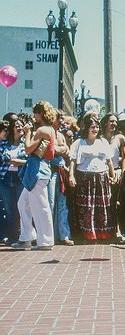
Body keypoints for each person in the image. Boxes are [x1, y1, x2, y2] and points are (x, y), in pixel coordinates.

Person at [12, 101, 57, 251]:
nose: (34, 116)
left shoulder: (42, 130)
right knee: (23, 204)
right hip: (40, 170)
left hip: (37, 171)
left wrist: (28, 133)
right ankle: (26, 238)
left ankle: (45, 241)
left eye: (35, 113)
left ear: (40, 114)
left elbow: (27, 149)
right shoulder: (49, 129)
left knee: (40, 207)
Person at [69, 113, 116, 243]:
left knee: (102, 207)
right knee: (87, 207)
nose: (95, 129)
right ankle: (88, 235)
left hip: (101, 178)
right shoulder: (79, 142)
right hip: (85, 178)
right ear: (87, 128)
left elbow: (109, 161)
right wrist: (71, 175)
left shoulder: (103, 142)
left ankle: (103, 234)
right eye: (92, 127)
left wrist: (112, 175)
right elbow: (73, 161)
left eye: (96, 127)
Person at [100, 113, 125, 242]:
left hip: (116, 173)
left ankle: (118, 231)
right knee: (103, 204)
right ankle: (104, 230)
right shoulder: (99, 138)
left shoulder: (120, 138)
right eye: (111, 121)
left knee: (115, 203)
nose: (114, 124)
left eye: (116, 122)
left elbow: (124, 156)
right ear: (105, 122)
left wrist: (122, 172)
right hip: (102, 173)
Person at [0, 117, 26, 245]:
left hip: (20, 178)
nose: (20, 128)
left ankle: (24, 236)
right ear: (12, 129)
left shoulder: (26, 143)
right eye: (17, 126)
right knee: (10, 210)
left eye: (21, 126)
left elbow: (31, 161)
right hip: (5, 178)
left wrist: (19, 162)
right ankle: (13, 237)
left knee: (22, 208)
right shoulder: (4, 144)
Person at [48, 110, 72, 246]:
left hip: (61, 171)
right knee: (50, 203)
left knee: (62, 204)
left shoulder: (61, 135)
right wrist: (61, 149)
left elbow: (67, 152)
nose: (61, 121)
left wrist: (61, 148)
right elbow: (53, 151)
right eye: (59, 118)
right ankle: (49, 235)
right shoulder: (46, 132)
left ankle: (64, 235)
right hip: (51, 171)